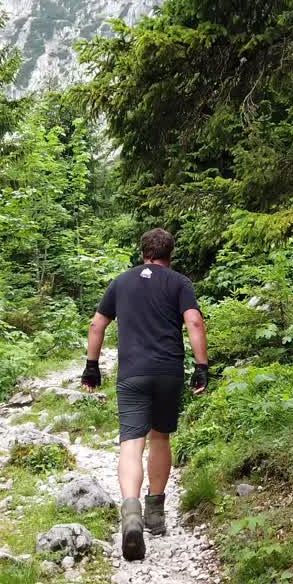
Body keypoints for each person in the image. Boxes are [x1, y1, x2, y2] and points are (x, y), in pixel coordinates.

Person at [81, 228, 209, 562]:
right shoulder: (179, 283)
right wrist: (201, 366)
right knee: (160, 437)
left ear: (143, 253)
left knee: (131, 442)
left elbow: (97, 325)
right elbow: (194, 323)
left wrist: (92, 366)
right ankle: (155, 514)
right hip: (168, 373)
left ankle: (131, 514)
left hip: (132, 374)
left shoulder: (121, 282)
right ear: (170, 254)